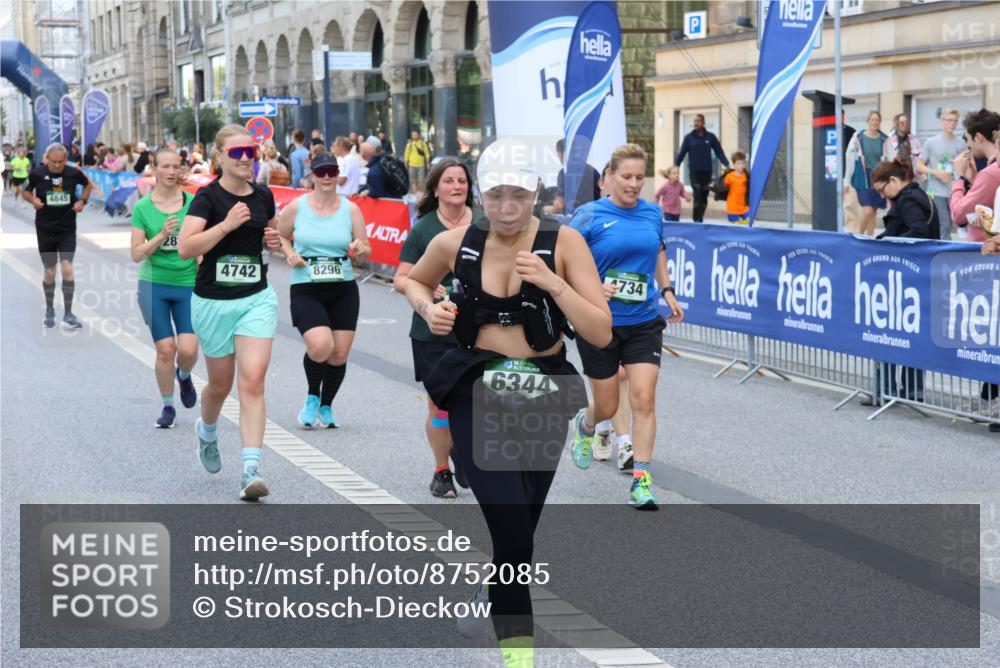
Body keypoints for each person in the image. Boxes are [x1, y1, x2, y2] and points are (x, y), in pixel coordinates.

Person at [404, 137, 611, 667]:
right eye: (494, 195)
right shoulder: (457, 243)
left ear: (535, 191)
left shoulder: (563, 244)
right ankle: (520, 658)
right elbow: (411, 279)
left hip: (543, 388)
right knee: (516, 535)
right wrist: (429, 310)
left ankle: (495, 587)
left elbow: (601, 332)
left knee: (519, 534)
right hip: (478, 388)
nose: (505, 207)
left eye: (517, 195)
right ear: (480, 193)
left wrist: (553, 285)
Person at [569, 143, 685, 509]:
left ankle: (641, 480)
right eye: (627, 177)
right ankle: (587, 425)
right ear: (609, 177)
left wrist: (666, 290)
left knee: (644, 398)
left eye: (639, 177)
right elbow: (565, 260)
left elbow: (658, 250)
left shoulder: (652, 213)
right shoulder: (589, 215)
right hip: (599, 323)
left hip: (643, 321)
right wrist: (592, 285)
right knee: (605, 405)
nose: (634, 184)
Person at [178, 124, 283, 502]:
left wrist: (275, 240)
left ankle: (251, 469)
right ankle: (207, 430)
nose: (245, 159)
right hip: (213, 301)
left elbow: (272, 234)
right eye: (236, 153)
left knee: (252, 380)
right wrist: (225, 225)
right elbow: (187, 249)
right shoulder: (207, 199)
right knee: (220, 385)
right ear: (219, 157)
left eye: (251, 152)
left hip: (256, 298)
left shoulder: (264, 195)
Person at [394, 158, 484, 498]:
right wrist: (428, 292)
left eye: (462, 180)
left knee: (475, 401)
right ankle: (441, 470)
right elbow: (403, 277)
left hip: (477, 329)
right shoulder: (424, 229)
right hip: (432, 331)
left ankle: (461, 449)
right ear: (435, 188)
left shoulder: (485, 225)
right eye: (449, 181)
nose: (457, 186)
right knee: (439, 403)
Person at [278, 154, 370, 429]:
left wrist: (362, 250)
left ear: (338, 174)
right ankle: (311, 397)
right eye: (321, 172)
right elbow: (280, 236)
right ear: (312, 175)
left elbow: (364, 252)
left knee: (339, 353)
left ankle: (326, 405)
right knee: (321, 346)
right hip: (306, 285)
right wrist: (290, 252)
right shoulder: (297, 206)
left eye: (331, 171)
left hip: (342, 287)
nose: (327, 177)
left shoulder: (351, 209)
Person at [130, 148, 200, 428]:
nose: (171, 172)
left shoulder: (194, 203)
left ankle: (184, 375)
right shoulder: (142, 208)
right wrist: (161, 235)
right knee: (165, 349)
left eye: (175, 166)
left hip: (188, 283)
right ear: (154, 169)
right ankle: (168, 406)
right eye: (165, 167)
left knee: (189, 350)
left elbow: (201, 244)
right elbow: (136, 254)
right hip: (154, 284)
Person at [863, 158, 938, 406]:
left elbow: (918, 232)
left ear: (893, 181)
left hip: (904, 277)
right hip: (915, 276)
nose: (883, 196)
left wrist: (886, 244)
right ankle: (907, 390)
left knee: (887, 332)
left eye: (882, 190)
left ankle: (887, 390)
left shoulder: (908, 200)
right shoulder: (919, 196)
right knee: (908, 333)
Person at [21, 143, 93, 328]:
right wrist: (33, 200)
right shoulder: (38, 173)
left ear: (65, 158)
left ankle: (68, 313)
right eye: (54, 162)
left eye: (61, 162)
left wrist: (83, 201)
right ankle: (50, 309)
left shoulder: (73, 173)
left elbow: (87, 185)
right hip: (45, 228)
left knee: (67, 267)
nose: (57, 165)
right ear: (47, 159)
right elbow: (25, 191)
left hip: (67, 227)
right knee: (50, 271)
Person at [949, 108, 1000, 244]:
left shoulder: (990, 173)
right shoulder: (991, 171)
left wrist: (958, 177)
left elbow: (958, 215)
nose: (967, 144)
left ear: (978, 137)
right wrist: (974, 179)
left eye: (967, 138)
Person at [918, 108, 965, 240]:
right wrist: (935, 172)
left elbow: (964, 166)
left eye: (955, 121)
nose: (952, 124)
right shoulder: (931, 142)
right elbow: (919, 165)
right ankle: (945, 253)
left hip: (954, 191)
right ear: (942, 121)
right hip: (936, 191)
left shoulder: (961, 143)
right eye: (949, 120)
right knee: (943, 224)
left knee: (948, 224)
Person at [675, 114, 729, 222]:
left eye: (698, 121)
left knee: (704, 199)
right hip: (695, 173)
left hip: (707, 173)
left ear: (703, 123)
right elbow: (681, 153)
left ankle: (699, 219)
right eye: (695, 121)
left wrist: (726, 164)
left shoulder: (710, 137)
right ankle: (697, 222)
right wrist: (676, 166)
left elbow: (719, 152)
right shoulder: (688, 138)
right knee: (698, 197)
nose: (696, 123)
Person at [845, 111, 889, 236]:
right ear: (868, 121)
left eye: (877, 120)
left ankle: (870, 238)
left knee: (874, 211)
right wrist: (847, 181)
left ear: (880, 122)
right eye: (872, 119)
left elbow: (890, 159)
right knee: (867, 210)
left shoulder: (884, 139)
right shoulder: (858, 137)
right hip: (862, 176)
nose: (874, 122)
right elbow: (849, 157)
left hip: (878, 178)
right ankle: (858, 236)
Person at [543, 137, 602, 216]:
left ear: (560, 153)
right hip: (594, 217)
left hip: (574, 220)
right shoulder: (593, 171)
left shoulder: (564, 172)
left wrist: (543, 209)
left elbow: (559, 206)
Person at [882, 113, 923, 185]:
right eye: (902, 123)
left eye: (906, 122)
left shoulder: (914, 139)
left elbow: (921, 157)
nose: (905, 124)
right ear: (897, 124)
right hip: (896, 179)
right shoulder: (889, 140)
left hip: (913, 179)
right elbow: (886, 160)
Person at [722, 151, 750, 224]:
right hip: (733, 208)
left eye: (743, 163)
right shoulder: (729, 176)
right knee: (737, 228)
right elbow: (721, 187)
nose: (741, 166)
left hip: (744, 208)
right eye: (739, 163)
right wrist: (714, 186)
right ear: (734, 165)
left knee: (749, 223)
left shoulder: (747, 176)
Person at [403, 130, 432, 194]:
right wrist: (405, 163)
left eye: (415, 134)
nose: (414, 136)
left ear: (418, 135)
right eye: (412, 135)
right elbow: (406, 154)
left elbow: (427, 154)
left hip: (421, 165)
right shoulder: (409, 144)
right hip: (412, 165)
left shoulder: (422, 144)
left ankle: (421, 195)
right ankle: (415, 196)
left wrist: (427, 163)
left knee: (421, 181)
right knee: (413, 181)